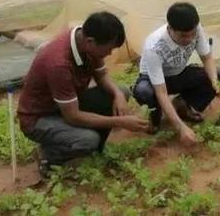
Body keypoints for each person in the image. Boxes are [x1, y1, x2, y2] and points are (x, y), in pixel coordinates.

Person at [17, 11, 149, 177]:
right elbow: (73, 116)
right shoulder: (59, 64)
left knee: (121, 91)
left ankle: (89, 146)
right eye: (108, 49)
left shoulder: (85, 40)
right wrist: (120, 121)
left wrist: (118, 95)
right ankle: (49, 156)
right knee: (88, 140)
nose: (109, 54)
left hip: (65, 104)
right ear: (90, 42)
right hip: (40, 118)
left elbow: (101, 76)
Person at [132, 2, 220, 145]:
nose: (190, 39)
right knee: (144, 91)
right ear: (170, 28)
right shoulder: (154, 47)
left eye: (192, 34)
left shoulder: (195, 28)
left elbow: (207, 58)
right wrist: (181, 128)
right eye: (184, 36)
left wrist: (215, 82)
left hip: (179, 73)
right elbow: (161, 92)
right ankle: (155, 112)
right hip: (155, 81)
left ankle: (182, 105)